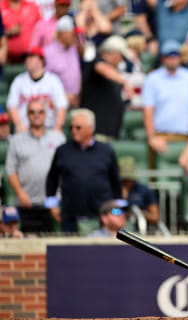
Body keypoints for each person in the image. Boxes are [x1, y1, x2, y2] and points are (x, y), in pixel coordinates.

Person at [45, 108, 122, 233]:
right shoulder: (62, 151)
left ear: (90, 128)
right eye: (71, 127)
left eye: (78, 127)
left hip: (101, 217)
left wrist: (116, 211)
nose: (73, 131)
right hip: (70, 216)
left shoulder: (106, 151)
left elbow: (115, 182)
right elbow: (52, 178)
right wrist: (52, 205)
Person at [141, 39, 188, 167]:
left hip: (186, 139)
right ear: (162, 58)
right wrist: (152, 137)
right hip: (160, 138)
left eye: (175, 55)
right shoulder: (152, 78)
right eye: (169, 56)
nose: (172, 59)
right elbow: (148, 110)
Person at [5, 99, 65, 233]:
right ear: (27, 115)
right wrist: (20, 193)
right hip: (27, 203)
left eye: (40, 112)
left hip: (53, 204)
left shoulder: (58, 139)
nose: (36, 115)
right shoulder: (16, 140)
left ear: (45, 115)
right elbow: (10, 170)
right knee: (29, 246)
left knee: (55, 247)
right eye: (32, 112)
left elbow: (65, 170)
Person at [80, 35, 133, 141]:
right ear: (114, 53)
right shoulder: (96, 61)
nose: (121, 61)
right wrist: (124, 82)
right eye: (121, 56)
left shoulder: (115, 71)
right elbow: (101, 67)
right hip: (95, 132)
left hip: (110, 132)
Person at [6, 46, 68, 133]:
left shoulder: (53, 80)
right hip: (25, 130)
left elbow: (61, 106)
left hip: (48, 129)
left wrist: (57, 127)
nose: (27, 60)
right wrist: (18, 124)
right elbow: (11, 106)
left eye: (31, 57)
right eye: (26, 58)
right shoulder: (19, 80)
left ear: (41, 60)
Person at [44, 15, 82, 107]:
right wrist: (63, 96)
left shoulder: (73, 48)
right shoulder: (48, 52)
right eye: (72, 33)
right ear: (62, 33)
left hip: (75, 101)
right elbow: (44, 82)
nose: (75, 37)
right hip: (55, 104)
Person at [119, 156, 159, 228]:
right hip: (118, 230)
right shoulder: (114, 191)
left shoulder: (144, 190)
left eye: (129, 178)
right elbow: (108, 213)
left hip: (140, 230)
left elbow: (155, 216)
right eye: (124, 180)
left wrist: (140, 214)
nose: (127, 182)